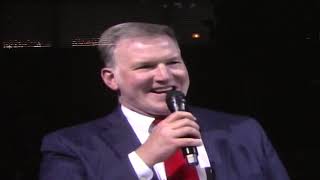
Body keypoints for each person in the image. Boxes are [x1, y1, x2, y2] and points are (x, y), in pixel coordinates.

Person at [39, 22, 290, 180]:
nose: (165, 76)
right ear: (111, 79)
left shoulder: (243, 131)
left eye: (173, 62)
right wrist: (143, 159)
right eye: (145, 66)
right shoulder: (69, 146)